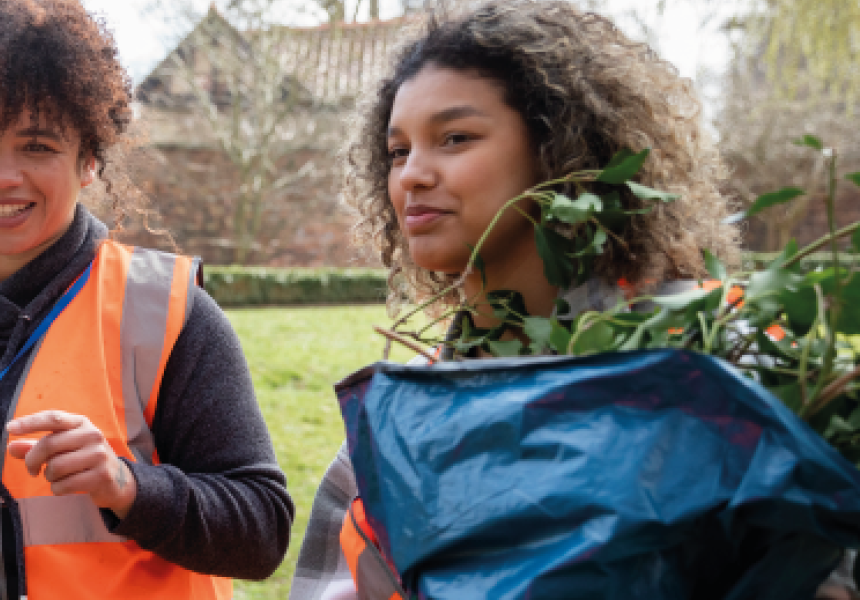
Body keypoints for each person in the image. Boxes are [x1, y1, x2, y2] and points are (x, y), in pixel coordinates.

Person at [285, 2, 761, 598]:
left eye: (454, 138)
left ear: (564, 151)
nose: (411, 175)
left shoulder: (714, 362)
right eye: (399, 151)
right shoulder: (391, 425)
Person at [0, 0, 295, 597]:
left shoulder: (166, 314)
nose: (3, 176)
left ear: (89, 161)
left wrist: (129, 487)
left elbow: (263, 532)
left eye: (38, 146)